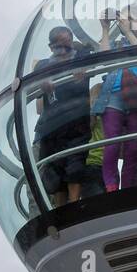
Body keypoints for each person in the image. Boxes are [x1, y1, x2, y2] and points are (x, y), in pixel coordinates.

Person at [93, 6, 137, 190]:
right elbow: (104, 59)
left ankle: (127, 188)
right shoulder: (118, 44)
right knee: (111, 144)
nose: (128, 21)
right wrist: (105, 29)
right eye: (126, 18)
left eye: (134, 18)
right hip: (112, 97)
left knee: (133, 148)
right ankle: (112, 186)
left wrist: (128, 32)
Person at [31, 26, 92, 205]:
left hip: (77, 123)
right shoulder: (43, 65)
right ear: (51, 47)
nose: (64, 51)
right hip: (52, 127)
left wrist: (84, 71)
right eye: (59, 48)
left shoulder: (80, 57)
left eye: (68, 47)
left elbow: (97, 62)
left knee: (75, 166)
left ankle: (73, 207)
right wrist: (42, 84)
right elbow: (32, 88)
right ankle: (60, 211)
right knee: (54, 173)